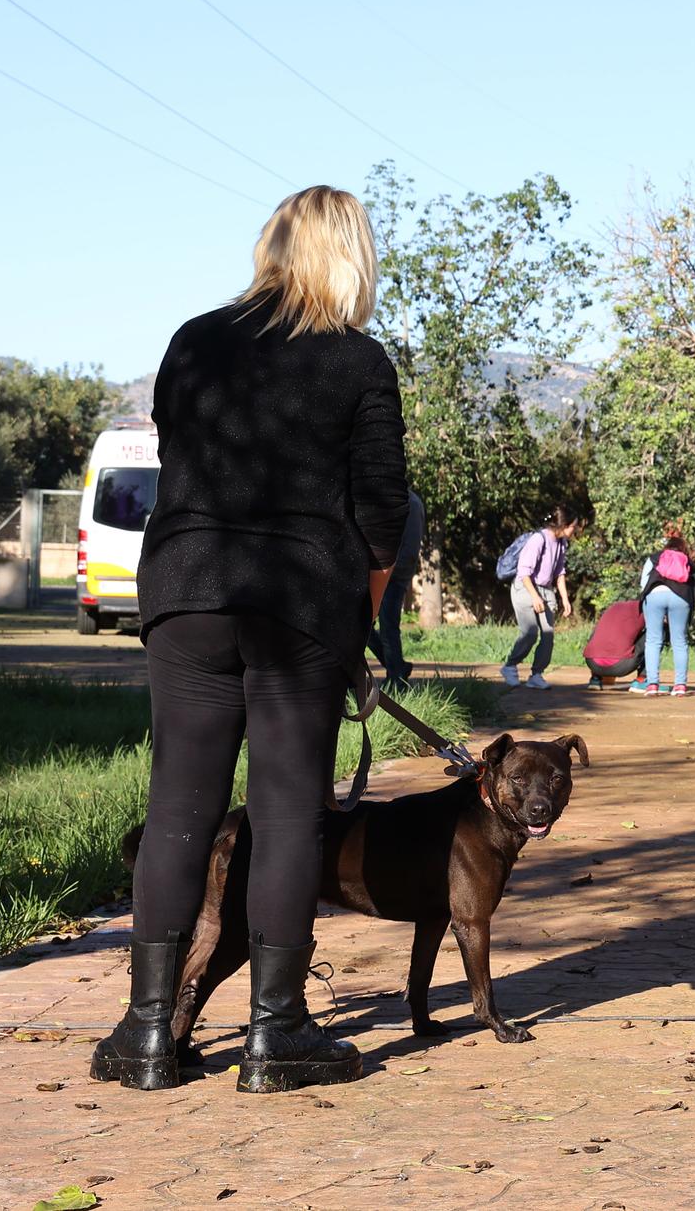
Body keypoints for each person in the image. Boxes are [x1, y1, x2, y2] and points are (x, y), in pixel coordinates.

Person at [93, 186, 409, 1094]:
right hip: (298, 603)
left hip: (185, 591)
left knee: (178, 809)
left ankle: (146, 1033)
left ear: (271, 245)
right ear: (352, 256)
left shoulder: (195, 339)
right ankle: (278, 1034)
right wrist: (362, 609)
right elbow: (381, 508)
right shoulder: (357, 360)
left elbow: (184, 463)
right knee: (284, 819)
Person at [502, 507, 579, 690]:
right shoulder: (539, 539)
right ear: (563, 525)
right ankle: (510, 666)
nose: (575, 530)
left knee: (548, 634)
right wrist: (535, 597)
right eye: (573, 527)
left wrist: (565, 599)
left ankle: (536, 675)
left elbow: (560, 572)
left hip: (546, 589)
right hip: (525, 587)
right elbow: (524, 572)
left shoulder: (561, 543)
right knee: (530, 632)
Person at [364, 488, 423, 688]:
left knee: (388, 628)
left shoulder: (410, 503)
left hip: (394, 576)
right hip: (386, 572)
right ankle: (397, 667)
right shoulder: (400, 500)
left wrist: (391, 569)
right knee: (365, 626)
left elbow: (409, 549)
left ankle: (396, 678)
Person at [638, 533, 695, 696]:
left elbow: (643, 582)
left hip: (655, 594)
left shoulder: (655, 557)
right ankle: (680, 685)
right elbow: (694, 587)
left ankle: (652, 685)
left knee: (653, 640)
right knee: (679, 641)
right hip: (681, 597)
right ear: (683, 549)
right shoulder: (688, 562)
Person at [583, 598, 645, 690]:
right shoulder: (644, 610)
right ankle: (643, 679)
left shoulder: (613, 607)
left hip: (592, 663)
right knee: (655, 635)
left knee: (598, 633)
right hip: (620, 666)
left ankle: (595, 679)